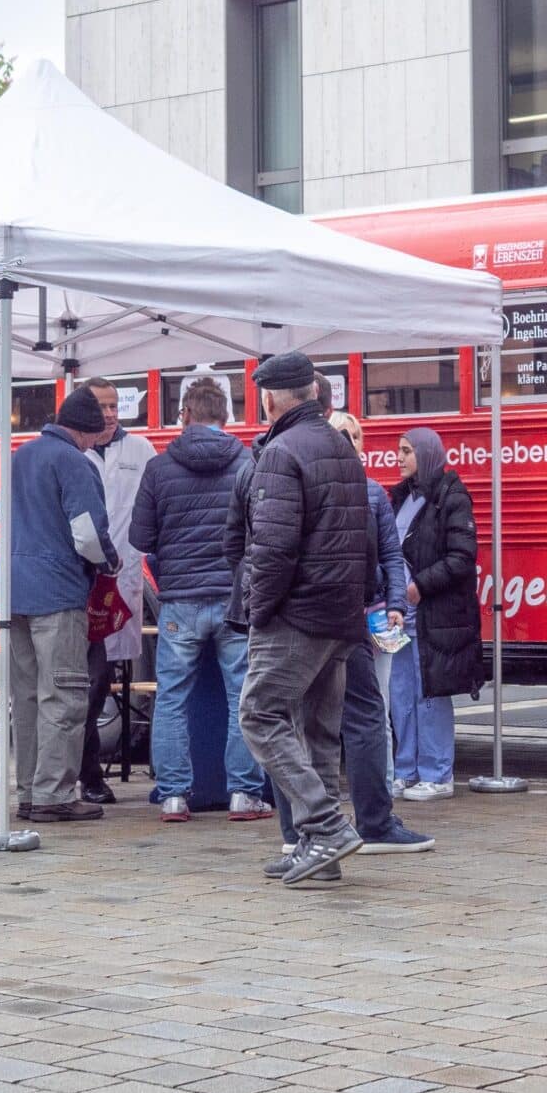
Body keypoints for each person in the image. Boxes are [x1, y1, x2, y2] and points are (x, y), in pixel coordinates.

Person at [229, 351, 373, 886]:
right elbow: (366, 538)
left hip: (296, 612)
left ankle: (325, 825)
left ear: (270, 397)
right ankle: (321, 851)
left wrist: (258, 609)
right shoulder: (340, 446)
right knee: (318, 729)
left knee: (260, 714)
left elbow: (271, 547)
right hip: (340, 613)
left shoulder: (280, 451)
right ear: (311, 392)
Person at [268, 402, 429, 858]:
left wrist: (395, 601)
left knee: (359, 715)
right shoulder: (312, 484)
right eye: (342, 435)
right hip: (317, 618)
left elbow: (391, 555)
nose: (349, 443)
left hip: (353, 616)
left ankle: (367, 821)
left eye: (355, 436)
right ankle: (301, 829)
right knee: (300, 720)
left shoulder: (373, 493)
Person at [129, 370, 271, 821]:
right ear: (226, 416)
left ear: (186, 415)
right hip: (234, 598)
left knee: (171, 696)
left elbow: (141, 536)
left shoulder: (158, 468)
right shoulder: (248, 464)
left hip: (180, 600)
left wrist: (171, 565)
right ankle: (244, 794)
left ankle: (172, 794)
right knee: (241, 697)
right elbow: (262, 531)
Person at [2, 388, 118, 823]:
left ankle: (30, 791)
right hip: (56, 591)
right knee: (64, 694)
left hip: (13, 591)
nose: (94, 444)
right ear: (84, 429)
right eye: (93, 435)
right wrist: (108, 561)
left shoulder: (20, 456)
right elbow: (87, 533)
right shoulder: (73, 460)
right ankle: (54, 793)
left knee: (27, 697)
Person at [390, 424, 479, 799]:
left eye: (407, 451)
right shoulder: (400, 497)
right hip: (400, 617)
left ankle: (437, 774)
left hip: (432, 615)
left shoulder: (450, 498)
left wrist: (419, 585)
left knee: (429, 694)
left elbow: (462, 557)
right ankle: (406, 769)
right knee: (401, 696)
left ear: (426, 454)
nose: (399, 457)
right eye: (398, 450)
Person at [81, 375, 155, 805]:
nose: (109, 414)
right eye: (101, 407)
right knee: (85, 684)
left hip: (120, 586)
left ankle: (90, 772)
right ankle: (88, 772)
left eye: (114, 406)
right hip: (80, 584)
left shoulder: (141, 450)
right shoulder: (75, 452)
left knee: (100, 680)